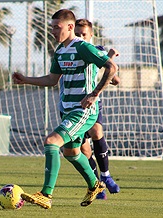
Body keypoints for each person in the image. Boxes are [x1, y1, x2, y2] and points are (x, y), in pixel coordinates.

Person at [12, 9, 118, 208]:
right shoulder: (60, 51)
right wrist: (26, 80)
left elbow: (112, 68)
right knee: (71, 153)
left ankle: (46, 194)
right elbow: (52, 79)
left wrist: (94, 94)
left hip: (83, 111)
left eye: (56, 27)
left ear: (70, 27)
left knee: (51, 142)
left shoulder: (83, 47)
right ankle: (95, 185)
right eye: (51, 27)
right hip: (67, 110)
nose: (52, 31)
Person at [65, 18, 121, 200]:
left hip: (91, 104)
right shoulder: (70, 51)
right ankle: (98, 184)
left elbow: (115, 79)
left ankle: (106, 175)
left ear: (91, 35)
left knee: (97, 131)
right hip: (72, 106)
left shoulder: (95, 51)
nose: (81, 37)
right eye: (78, 34)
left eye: (84, 34)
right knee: (84, 150)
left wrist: (110, 59)